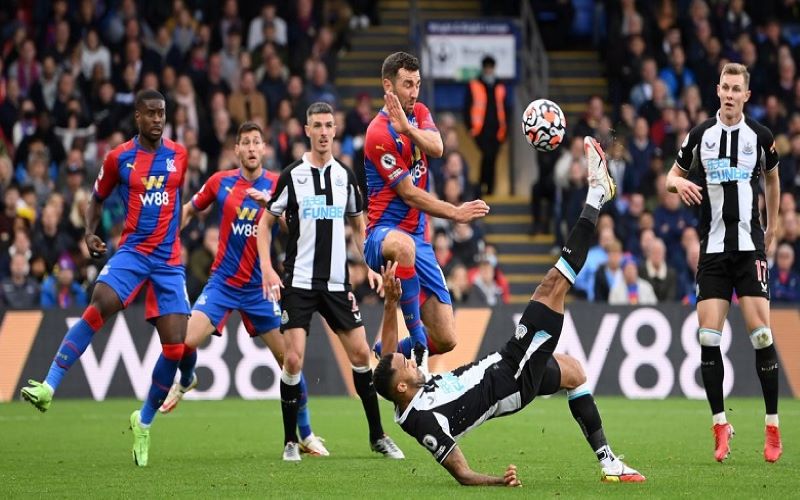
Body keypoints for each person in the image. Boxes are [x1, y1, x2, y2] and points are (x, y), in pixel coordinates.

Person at [373, 138, 644, 485]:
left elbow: (390, 354)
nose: (409, 360)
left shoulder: (408, 388)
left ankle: (609, 463)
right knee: (552, 286)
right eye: (405, 365)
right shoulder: (423, 421)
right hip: (510, 376)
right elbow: (462, 473)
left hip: (505, 369)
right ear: (400, 387)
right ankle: (596, 194)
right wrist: (498, 481)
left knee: (574, 372)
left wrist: (391, 304)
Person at [21, 90, 191, 467]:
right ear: (137, 118)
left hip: (168, 261)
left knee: (176, 348)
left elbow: (177, 200)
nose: (158, 119)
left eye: (162, 113)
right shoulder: (119, 158)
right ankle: (49, 386)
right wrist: (89, 233)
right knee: (101, 303)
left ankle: (143, 422)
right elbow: (95, 198)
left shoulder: (179, 155)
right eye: (150, 114)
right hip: (132, 253)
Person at [156, 121, 328, 456]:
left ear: (264, 149)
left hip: (260, 287)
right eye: (245, 143)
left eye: (256, 142)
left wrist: (271, 205)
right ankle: (188, 377)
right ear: (236, 150)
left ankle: (305, 434)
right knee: (184, 341)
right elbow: (190, 209)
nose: (251, 148)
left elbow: (294, 227)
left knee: (290, 361)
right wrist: (167, 236)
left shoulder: (279, 184)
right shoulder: (220, 182)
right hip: (222, 283)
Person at [257, 102, 403, 461]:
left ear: (335, 131)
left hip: (337, 282)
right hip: (300, 282)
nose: (323, 132)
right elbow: (265, 223)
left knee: (360, 355)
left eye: (328, 126)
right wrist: (267, 268)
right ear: (307, 130)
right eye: (317, 125)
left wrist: (368, 262)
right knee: (292, 360)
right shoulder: (292, 175)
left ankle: (377, 436)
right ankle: (291, 440)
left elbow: (357, 223)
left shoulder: (345, 176)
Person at [666, 62, 783, 463]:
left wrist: (774, 223)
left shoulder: (760, 137)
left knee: (762, 337)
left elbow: (772, 177)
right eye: (726, 87)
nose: (731, 94)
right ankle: (720, 425)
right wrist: (679, 181)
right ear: (717, 90)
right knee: (707, 339)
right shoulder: (701, 136)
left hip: (750, 249)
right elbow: (669, 177)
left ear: (746, 96)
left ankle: (772, 426)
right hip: (713, 251)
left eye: (738, 89)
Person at [363, 51, 489, 360]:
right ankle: (417, 340)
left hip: (419, 240)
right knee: (404, 246)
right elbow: (408, 194)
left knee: (447, 339)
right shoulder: (377, 134)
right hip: (383, 234)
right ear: (388, 86)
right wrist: (455, 212)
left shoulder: (418, 113)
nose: (414, 91)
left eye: (417, 84)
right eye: (407, 84)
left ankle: (388, 352)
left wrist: (408, 129)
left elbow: (438, 147)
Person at [464, 55, 508, 195]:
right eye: (487, 68)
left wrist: (505, 130)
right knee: (488, 156)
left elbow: (505, 109)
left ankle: (487, 187)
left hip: (497, 130)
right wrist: (469, 127)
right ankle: (485, 186)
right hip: (480, 130)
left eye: (491, 67)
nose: (489, 70)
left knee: (492, 157)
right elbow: (466, 107)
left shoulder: (500, 86)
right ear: (483, 69)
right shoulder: (474, 84)